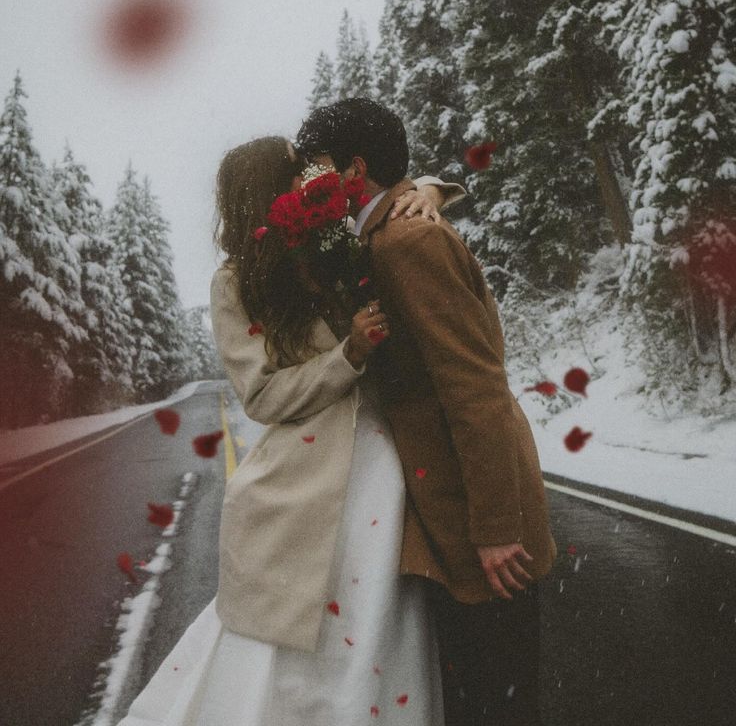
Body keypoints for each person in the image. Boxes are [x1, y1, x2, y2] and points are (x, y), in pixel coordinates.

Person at [117, 135, 465, 725]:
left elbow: (387, 202)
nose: (306, 182)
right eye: (291, 175)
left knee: (378, 614)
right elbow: (263, 395)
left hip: (384, 463)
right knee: (291, 628)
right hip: (301, 478)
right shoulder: (235, 283)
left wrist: (426, 192)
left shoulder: (333, 242)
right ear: (262, 194)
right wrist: (348, 355)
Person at [296, 98, 559, 726]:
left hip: (471, 504)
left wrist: (495, 525)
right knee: (482, 685)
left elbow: (473, 384)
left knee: (499, 692)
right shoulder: (383, 232)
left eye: (318, 167)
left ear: (355, 169)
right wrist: (432, 188)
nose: (309, 182)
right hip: (445, 497)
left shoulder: (405, 239)